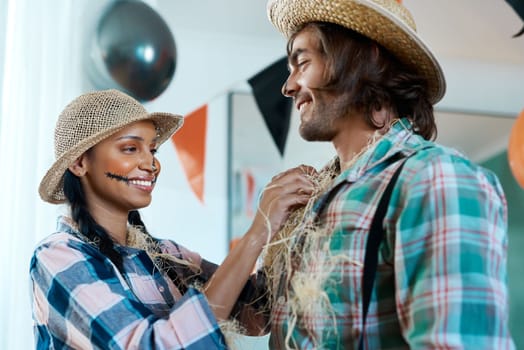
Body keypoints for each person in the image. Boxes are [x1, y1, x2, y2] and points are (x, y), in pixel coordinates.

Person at [262, 0, 516, 348]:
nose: (288, 86)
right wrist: (254, 233)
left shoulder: (435, 177)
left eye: (302, 63)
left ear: (365, 61)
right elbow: (260, 314)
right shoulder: (317, 197)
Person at [30, 89, 316, 349]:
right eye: (131, 148)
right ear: (80, 163)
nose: (151, 164)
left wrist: (288, 221)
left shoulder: (168, 256)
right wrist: (256, 232)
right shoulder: (59, 256)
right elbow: (155, 346)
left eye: (152, 149)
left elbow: (258, 311)